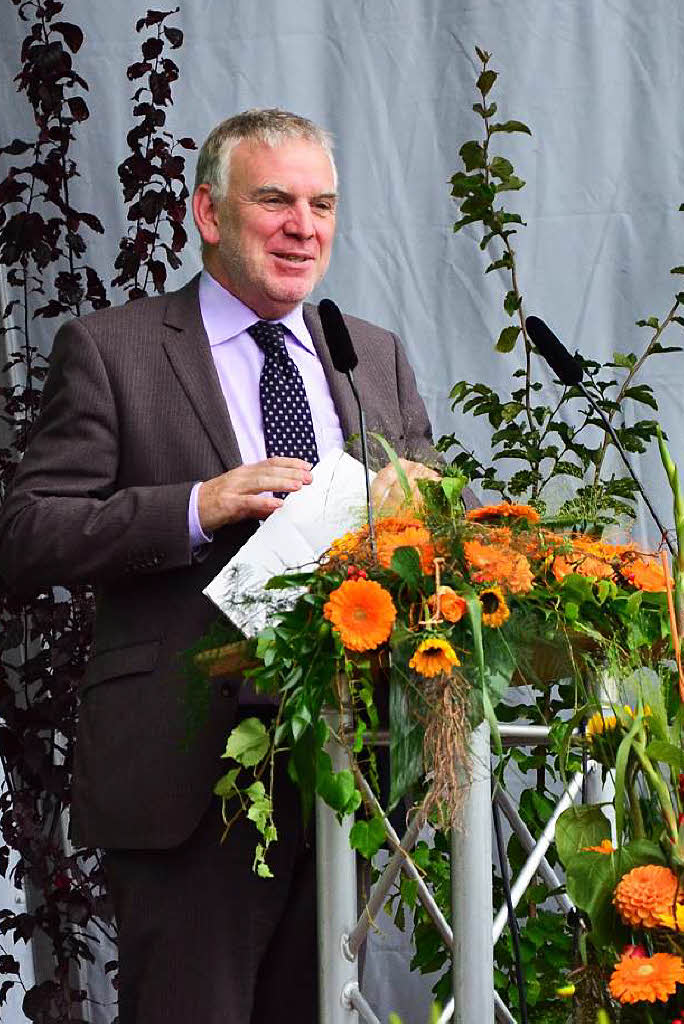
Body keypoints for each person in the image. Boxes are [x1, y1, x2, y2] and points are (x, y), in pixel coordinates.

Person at [0, 108, 437, 1024]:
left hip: (343, 769)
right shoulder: (111, 350)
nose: (302, 226)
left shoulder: (372, 356)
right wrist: (197, 505)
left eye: (321, 204)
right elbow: (30, 533)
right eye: (273, 199)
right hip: (187, 774)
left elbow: (427, 528)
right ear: (208, 213)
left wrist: (426, 521)